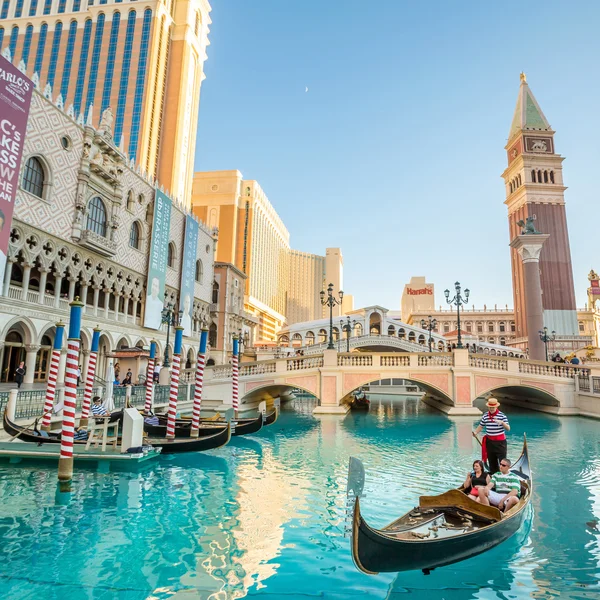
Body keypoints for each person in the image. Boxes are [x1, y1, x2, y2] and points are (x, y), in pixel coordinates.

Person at [473, 397, 510, 474]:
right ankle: (494, 477)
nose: (491, 409)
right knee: (492, 462)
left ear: (496, 407)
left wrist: (502, 423)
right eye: (490, 407)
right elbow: (481, 425)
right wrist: (476, 432)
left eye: (493, 407)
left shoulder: (502, 416)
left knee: (503, 462)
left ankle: (504, 476)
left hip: (500, 443)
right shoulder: (485, 415)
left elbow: (508, 428)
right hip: (489, 443)